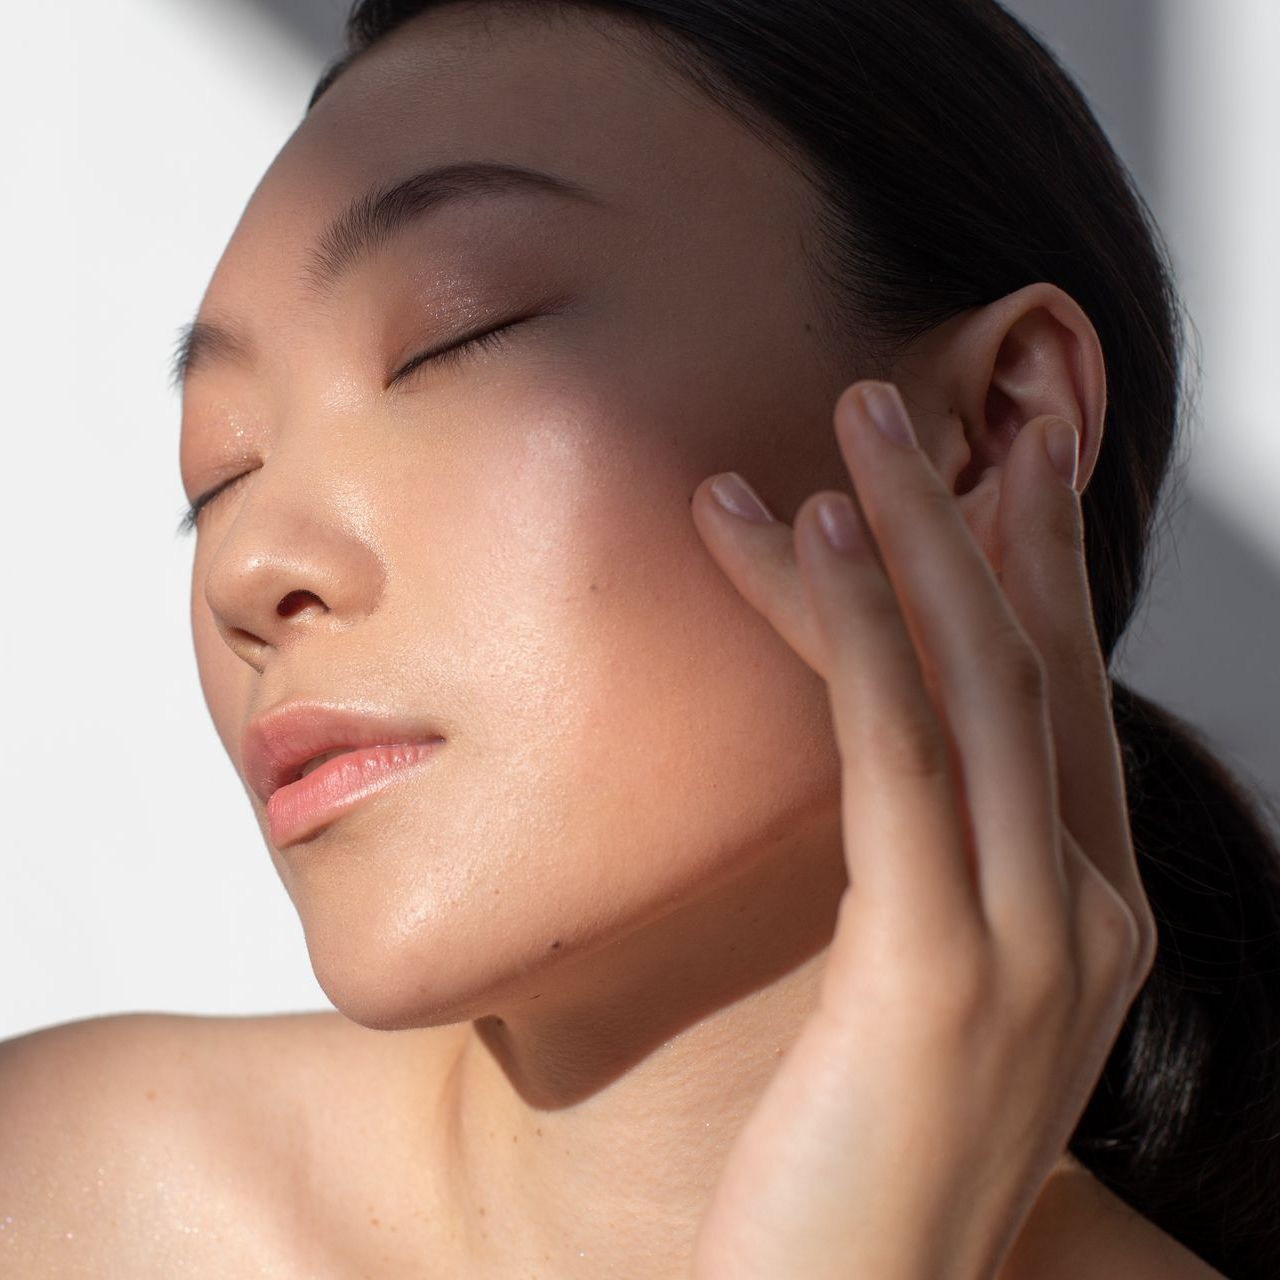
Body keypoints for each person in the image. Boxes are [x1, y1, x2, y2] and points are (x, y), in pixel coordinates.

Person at [2, 0, 1277, 1275]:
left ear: (989, 431)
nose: (249, 564)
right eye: (215, 470)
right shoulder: (53, 1193)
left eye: (460, 333)